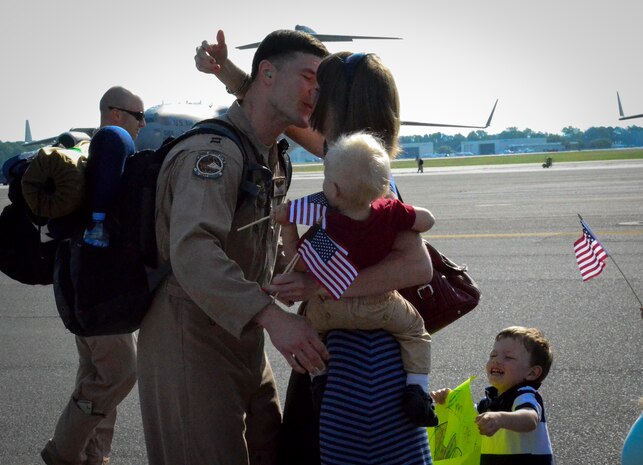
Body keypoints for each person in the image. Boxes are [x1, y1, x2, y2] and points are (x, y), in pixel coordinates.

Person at [197, 31, 435, 465]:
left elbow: (417, 266)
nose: (310, 97)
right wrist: (226, 72)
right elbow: (280, 110)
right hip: (342, 345)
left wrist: (320, 279)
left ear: (338, 104)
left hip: (358, 359)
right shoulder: (346, 156)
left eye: (319, 89)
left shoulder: (369, 175)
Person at [136, 30, 330, 465]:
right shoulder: (214, 154)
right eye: (307, 76)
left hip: (243, 331)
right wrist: (274, 319)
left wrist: (298, 272)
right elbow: (194, 251)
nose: (316, 91)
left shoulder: (270, 155)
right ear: (267, 74)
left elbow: (262, 233)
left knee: (270, 451)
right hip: (190, 332)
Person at [272, 131, 438, 426]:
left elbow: (300, 260)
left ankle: (320, 378)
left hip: (330, 308)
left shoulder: (330, 227)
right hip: (381, 306)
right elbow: (426, 220)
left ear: (334, 191)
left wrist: (287, 225)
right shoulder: (389, 212)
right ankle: (417, 389)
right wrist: (404, 211)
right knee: (415, 332)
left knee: (312, 332)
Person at [41, 86, 145, 465]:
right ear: (115, 113)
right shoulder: (112, 143)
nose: (141, 124)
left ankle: (93, 455)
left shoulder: (86, 154)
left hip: (74, 282)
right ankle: (64, 452)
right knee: (119, 375)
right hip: (101, 289)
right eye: (138, 116)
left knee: (95, 376)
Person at [432, 326, 554, 464]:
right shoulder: (488, 402)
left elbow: (530, 419)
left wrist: (499, 418)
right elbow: (467, 416)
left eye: (508, 357)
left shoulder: (524, 394)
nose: (496, 360)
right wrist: (450, 399)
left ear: (532, 373)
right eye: (493, 355)